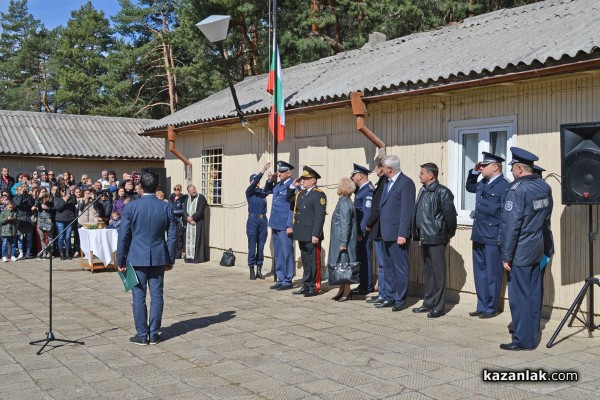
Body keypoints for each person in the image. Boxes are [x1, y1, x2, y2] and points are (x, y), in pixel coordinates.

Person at [499, 147, 553, 351]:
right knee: (534, 293)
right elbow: (546, 217)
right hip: (537, 247)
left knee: (520, 296)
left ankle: (523, 340)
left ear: (520, 169)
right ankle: (531, 333)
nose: (511, 171)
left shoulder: (517, 189)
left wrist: (506, 255)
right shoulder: (543, 186)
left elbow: (511, 226)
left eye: (513, 167)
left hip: (520, 250)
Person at [116, 172, 177, 346]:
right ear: (157, 187)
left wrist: (120, 260)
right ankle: (154, 333)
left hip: (136, 256)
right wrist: (170, 259)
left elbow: (123, 237)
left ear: (140, 187)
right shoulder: (166, 207)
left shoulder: (131, 207)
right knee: (157, 295)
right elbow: (172, 237)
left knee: (139, 296)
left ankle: (142, 334)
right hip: (158, 256)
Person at [465, 152, 510, 319]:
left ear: (496, 167)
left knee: (493, 273)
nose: (481, 167)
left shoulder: (504, 185)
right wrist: (474, 172)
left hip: (493, 234)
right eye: (481, 166)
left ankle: (491, 307)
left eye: (485, 166)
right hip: (478, 233)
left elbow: (506, 213)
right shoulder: (483, 182)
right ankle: (481, 305)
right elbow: (469, 187)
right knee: (480, 272)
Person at [411, 163, 457, 318]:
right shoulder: (423, 191)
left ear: (431, 175)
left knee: (439, 274)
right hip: (424, 237)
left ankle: (439, 306)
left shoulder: (442, 192)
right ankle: (428, 302)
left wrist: (446, 234)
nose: (419, 175)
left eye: (422, 173)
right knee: (428, 272)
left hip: (436, 238)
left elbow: (450, 217)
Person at [376, 155, 415, 311]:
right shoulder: (386, 182)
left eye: (383, 167)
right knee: (389, 267)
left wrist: (402, 234)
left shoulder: (406, 183)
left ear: (390, 168)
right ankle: (390, 296)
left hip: (398, 234)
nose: (381, 169)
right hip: (386, 233)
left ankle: (400, 299)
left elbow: (407, 211)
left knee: (400, 268)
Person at [287, 166, 327, 297]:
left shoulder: (319, 194)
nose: (303, 181)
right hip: (302, 233)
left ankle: (314, 287)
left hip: (311, 234)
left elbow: (319, 216)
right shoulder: (301, 194)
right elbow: (289, 200)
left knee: (313, 261)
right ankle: (306, 285)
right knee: (305, 260)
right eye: (302, 178)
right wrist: (293, 186)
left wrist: (316, 234)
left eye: (306, 179)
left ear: (313, 181)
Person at [268, 161, 296, 291]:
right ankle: (280, 277)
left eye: (282, 172)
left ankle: (288, 279)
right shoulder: (278, 185)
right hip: (275, 223)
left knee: (287, 252)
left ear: (289, 173)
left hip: (285, 224)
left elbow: (293, 208)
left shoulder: (293, 186)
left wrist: (290, 225)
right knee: (278, 252)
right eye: (279, 171)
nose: (279, 174)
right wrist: (270, 180)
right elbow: (266, 191)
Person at [329, 177, 358, 302]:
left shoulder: (345, 203)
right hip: (340, 239)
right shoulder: (344, 201)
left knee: (345, 266)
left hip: (343, 240)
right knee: (341, 265)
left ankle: (347, 290)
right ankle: (341, 289)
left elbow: (345, 224)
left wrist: (343, 243)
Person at [245, 163, 274, 280]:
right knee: (252, 245)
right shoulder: (249, 192)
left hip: (263, 220)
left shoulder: (261, 193)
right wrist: (262, 170)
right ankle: (251, 269)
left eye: (256, 180)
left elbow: (268, 189)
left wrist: (269, 180)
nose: (256, 182)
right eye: (253, 180)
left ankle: (259, 270)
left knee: (261, 246)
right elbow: (255, 182)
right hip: (253, 220)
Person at [365, 158, 388, 304]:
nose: (376, 171)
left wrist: (369, 223)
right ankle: (382, 293)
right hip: (379, 229)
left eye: (377, 168)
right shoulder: (382, 182)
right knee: (382, 264)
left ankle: (384, 294)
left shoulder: (384, 182)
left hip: (380, 229)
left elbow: (376, 208)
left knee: (383, 264)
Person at [350, 163, 375, 295]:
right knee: (360, 257)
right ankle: (363, 283)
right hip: (359, 231)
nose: (351, 178)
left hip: (363, 232)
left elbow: (367, 213)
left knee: (364, 258)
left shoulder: (368, 191)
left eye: (353, 175)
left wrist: (361, 232)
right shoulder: (361, 190)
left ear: (360, 176)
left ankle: (366, 286)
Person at [183, 184, 209, 263]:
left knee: (197, 240)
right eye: (191, 190)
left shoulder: (201, 198)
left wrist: (193, 217)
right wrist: (188, 219)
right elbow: (184, 209)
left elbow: (200, 210)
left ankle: (197, 258)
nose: (193, 191)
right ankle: (189, 258)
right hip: (189, 222)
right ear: (189, 192)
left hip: (198, 222)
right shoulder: (187, 198)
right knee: (189, 240)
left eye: (194, 189)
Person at [53, 186, 77, 260]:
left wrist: (72, 194)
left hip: (70, 219)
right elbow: (58, 207)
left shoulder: (70, 197)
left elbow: (74, 202)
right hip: (60, 219)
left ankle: (68, 252)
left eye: (65, 191)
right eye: (62, 191)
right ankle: (61, 253)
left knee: (68, 237)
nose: (64, 192)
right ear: (59, 191)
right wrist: (65, 200)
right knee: (61, 236)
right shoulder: (56, 198)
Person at [14, 184, 35, 259]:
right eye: (21, 189)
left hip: (28, 218)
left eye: (24, 188)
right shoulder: (16, 198)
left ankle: (28, 252)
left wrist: (28, 196)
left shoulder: (28, 197)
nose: (23, 189)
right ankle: (21, 252)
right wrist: (21, 195)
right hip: (20, 219)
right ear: (18, 191)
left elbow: (30, 204)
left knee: (29, 237)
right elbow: (18, 204)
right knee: (20, 237)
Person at [168, 184, 187, 259]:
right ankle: (172, 253)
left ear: (181, 190)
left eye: (178, 189)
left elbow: (183, 210)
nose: (176, 190)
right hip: (171, 219)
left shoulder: (183, 198)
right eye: (175, 189)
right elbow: (168, 206)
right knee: (172, 237)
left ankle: (178, 254)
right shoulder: (171, 197)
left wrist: (174, 212)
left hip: (179, 220)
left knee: (179, 237)